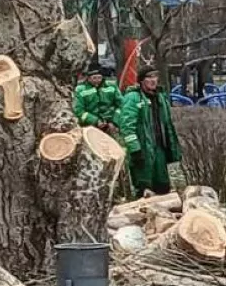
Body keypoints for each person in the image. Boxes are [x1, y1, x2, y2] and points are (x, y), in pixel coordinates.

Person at [116, 66, 182, 196]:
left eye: (155, 77)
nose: (153, 80)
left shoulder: (160, 97)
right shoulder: (133, 98)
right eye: (149, 77)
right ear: (141, 81)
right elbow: (127, 126)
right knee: (145, 187)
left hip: (159, 147)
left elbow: (167, 123)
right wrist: (135, 148)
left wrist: (171, 146)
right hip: (143, 149)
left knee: (162, 187)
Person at [73, 63, 120, 132]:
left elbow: (121, 105)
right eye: (94, 78)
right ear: (88, 78)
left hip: (111, 124)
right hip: (89, 126)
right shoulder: (80, 89)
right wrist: (95, 121)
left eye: (99, 77)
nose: (97, 80)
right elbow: (79, 112)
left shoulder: (111, 86)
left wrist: (114, 122)